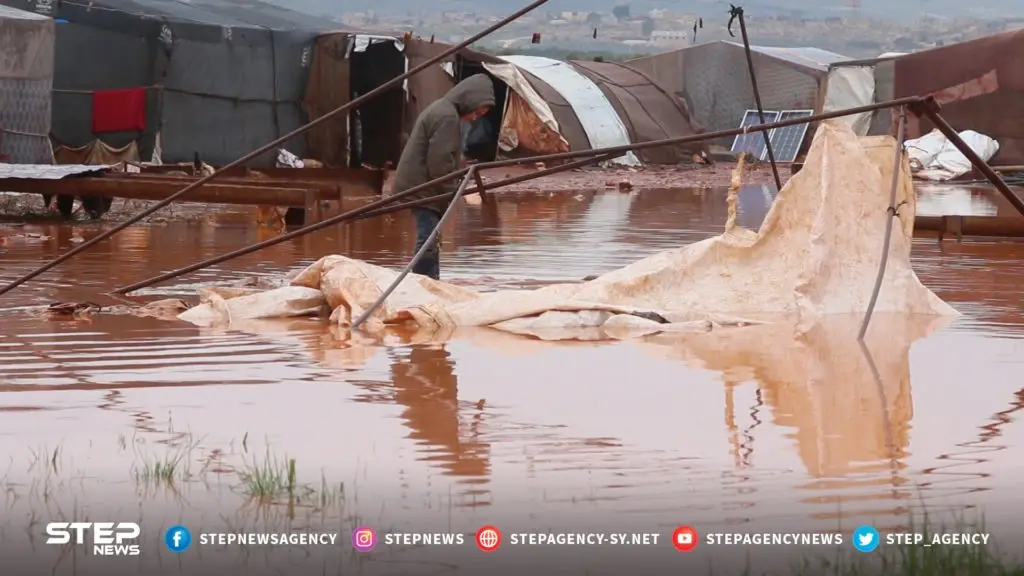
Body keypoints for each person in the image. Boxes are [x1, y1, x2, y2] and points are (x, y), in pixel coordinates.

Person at [389, 74, 495, 280]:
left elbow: (445, 156)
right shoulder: (447, 116)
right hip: (422, 186)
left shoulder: (443, 109)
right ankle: (424, 283)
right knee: (427, 239)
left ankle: (430, 280)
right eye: (476, 112)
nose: (475, 118)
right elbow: (439, 162)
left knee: (431, 237)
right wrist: (452, 193)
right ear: (468, 102)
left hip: (422, 183)